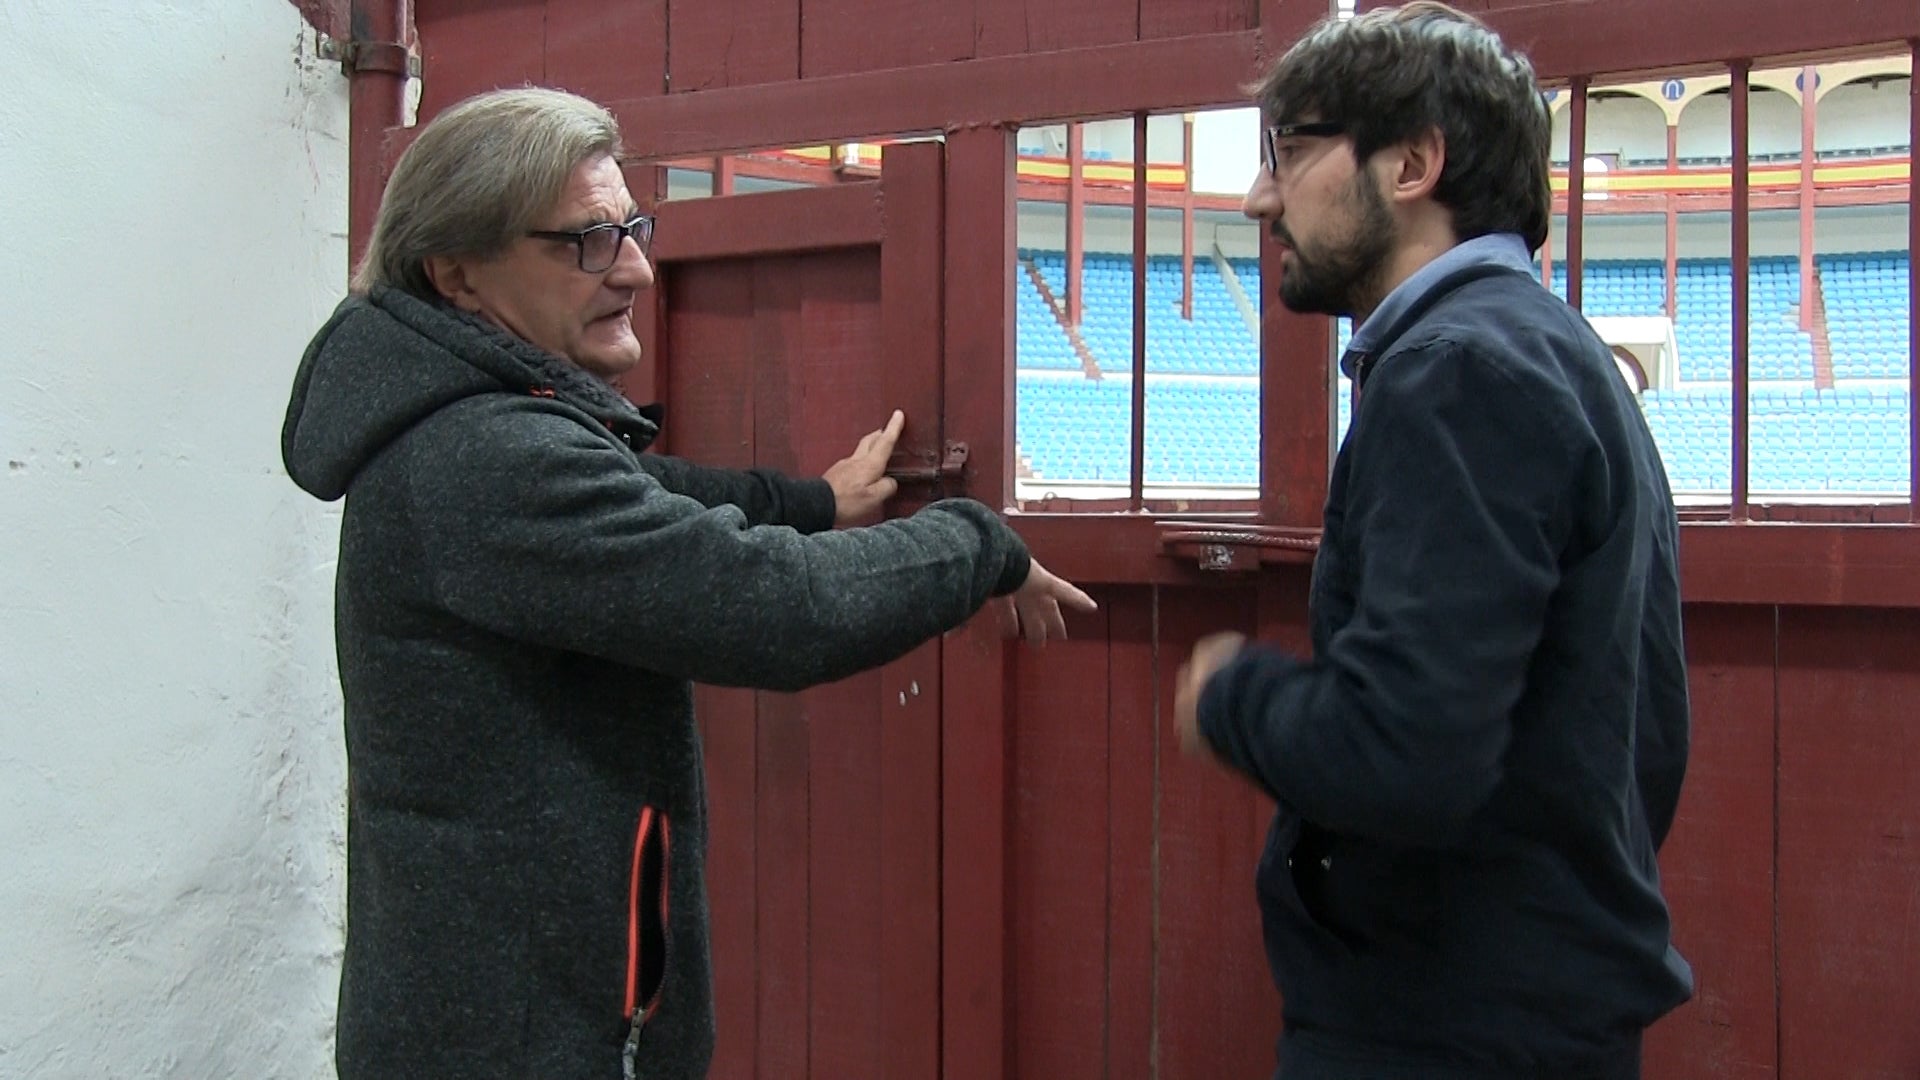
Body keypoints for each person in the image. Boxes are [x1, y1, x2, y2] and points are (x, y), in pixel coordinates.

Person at [281, 86, 1095, 1080]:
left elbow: (646, 491)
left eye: (631, 227)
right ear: (456, 271)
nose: (635, 265)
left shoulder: (461, 423)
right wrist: (976, 541)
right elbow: (775, 607)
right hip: (528, 1045)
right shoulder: (487, 458)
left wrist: (812, 500)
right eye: (585, 241)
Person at [1170, 5, 1693, 1078]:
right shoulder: (1546, 352)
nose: (1260, 195)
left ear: (1412, 164)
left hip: (1448, 1030)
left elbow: (1404, 753)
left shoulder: (1459, 373)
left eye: (1293, 149)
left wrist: (1230, 696)